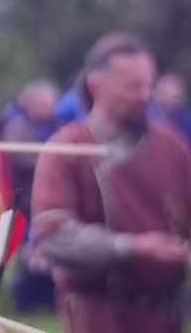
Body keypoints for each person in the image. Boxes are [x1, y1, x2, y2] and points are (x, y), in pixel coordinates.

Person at [32, 32, 191, 333]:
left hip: (165, 316)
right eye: (132, 87)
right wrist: (131, 247)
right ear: (96, 87)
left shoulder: (172, 145)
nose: (145, 95)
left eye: (148, 85)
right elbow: (54, 236)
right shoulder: (66, 148)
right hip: (99, 316)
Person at [2, 80, 59, 314]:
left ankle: (48, 297)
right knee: (30, 251)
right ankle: (25, 300)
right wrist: (51, 161)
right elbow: (19, 157)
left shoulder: (56, 126)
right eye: (45, 104)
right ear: (32, 104)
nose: (50, 108)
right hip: (27, 201)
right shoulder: (18, 126)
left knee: (52, 249)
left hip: (53, 200)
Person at [147, 73, 191, 144]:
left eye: (175, 97)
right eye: (166, 95)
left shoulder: (187, 118)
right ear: (157, 95)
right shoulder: (147, 115)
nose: (170, 100)